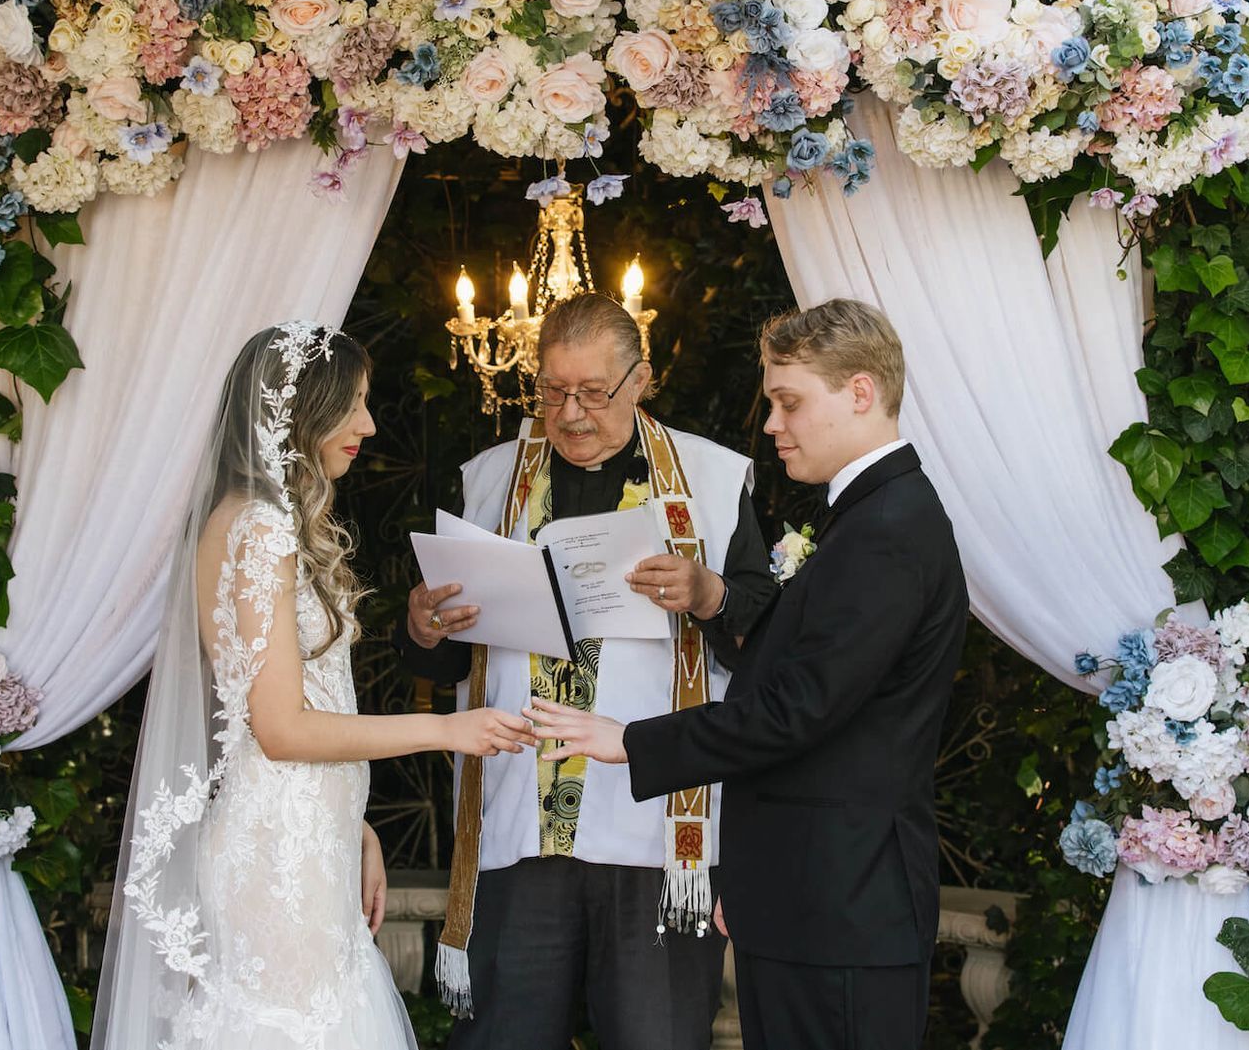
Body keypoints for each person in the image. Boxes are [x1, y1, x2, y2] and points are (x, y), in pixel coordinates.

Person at [529, 299, 969, 1050]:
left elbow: (795, 710)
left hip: (840, 906)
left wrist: (630, 741)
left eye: (789, 402)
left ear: (860, 393)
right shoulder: (868, 518)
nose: (772, 424)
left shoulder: (887, 533)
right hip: (808, 899)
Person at [96, 322, 536, 1050]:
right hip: (275, 858)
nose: (367, 424)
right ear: (301, 410)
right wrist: (448, 728)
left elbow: (272, 710)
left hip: (303, 837)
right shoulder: (261, 528)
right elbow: (281, 726)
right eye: (352, 404)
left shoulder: (259, 520)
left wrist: (353, 821)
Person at [397, 292, 776, 1050]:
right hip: (520, 821)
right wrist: (422, 625)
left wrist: (709, 592)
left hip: (656, 830)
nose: (569, 413)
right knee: (504, 1035)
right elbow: (437, 658)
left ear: (641, 380)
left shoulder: (712, 476)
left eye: (592, 392)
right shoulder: (486, 478)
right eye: (551, 390)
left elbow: (767, 638)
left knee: (657, 1037)